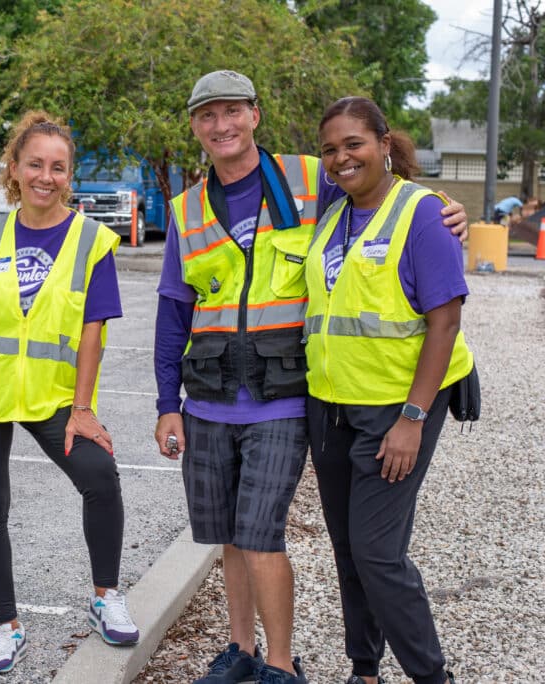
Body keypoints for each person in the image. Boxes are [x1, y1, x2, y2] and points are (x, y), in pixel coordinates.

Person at [152, 71, 468, 684]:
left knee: (270, 534)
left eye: (233, 112)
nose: (222, 126)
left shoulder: (309, 179)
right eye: (207, 115)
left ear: (255, 115)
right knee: (238, 539)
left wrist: (440, 206)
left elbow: (379, 189)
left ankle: (283, 665)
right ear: (195, 126)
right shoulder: (186, 210)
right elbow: (172, 311)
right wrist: (169, 400)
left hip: (286, 397)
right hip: (223, 397)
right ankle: (266, 656)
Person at [0, 110, 139, 676]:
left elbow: (93, 330)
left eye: (58, 167)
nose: (46, 176)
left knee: (100, 477)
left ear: (68, 174)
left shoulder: (92, 239)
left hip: (54, 398)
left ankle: (105, 597)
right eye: (35, 164)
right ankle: (7, 626)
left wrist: (83, 408)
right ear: (15, 168)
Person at [305, 96, 471, 684]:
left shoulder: (423, 212)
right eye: (330, 149)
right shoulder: (333, 209)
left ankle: (432, 677)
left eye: (354, 144)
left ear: (383, 143)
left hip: (394, 412)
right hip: (328, 408)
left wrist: (413, 416)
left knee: (377, 554)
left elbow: (444, 323)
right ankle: (364, 670)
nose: (341, 158)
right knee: (349, 551)